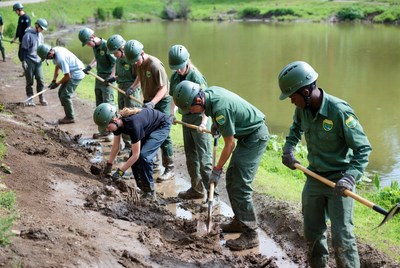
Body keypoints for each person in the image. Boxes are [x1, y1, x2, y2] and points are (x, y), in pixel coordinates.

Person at [278, 60, 372, 267]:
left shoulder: (340, 112)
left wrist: (350, 177)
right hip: (314, 176)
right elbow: (295, 130)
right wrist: (288, 149)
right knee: (312, 230)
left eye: (292, 97)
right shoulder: (303, 109)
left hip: (340, 180)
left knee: (342, 236)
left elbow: (363, 148)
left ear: (304, 91)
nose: (291, 102)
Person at [172, 80, 270, 251]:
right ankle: (240, 221)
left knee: (240, 184)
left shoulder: (220, 110)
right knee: (231, 179)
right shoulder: (209, 94)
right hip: (246, 135)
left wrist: (216, 170)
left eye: (189, 109)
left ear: (198, 101)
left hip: (255, 136)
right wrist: (218, 126)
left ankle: (251, 234)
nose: (189, 112)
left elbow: (229, 145)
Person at [93, 103, 171, 200]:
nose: (106, 129)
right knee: (135, 162)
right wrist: (109, 165)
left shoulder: (133, 124)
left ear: (114, 119)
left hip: (161, 126)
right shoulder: (117, 125)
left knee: (144, 157)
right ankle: (143, 190)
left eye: (107, 126)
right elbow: (116, 146)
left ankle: (150, 192)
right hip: (146, 127)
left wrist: (120, 172)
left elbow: (136, 155)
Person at [124, 39, 175, 182]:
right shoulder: (138, 63)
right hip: (148, 101)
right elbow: (140, 76)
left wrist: (153, 102)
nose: (135, 63)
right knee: (147, 132)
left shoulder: (155, 65)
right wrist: (133, 87)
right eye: (132, 61)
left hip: (161, 101)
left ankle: (169, 167)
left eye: (136, 60)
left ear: (142, 53)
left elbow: (164, 88)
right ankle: (153, 165)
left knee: (163, 134)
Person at [168, 44, 214, 200]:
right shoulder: (175, 77)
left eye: (181, 67)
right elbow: (174, 97)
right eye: (176, 68)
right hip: (186, 117)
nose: (179, 70)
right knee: (190, 157)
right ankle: (196, 189)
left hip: (200, 117)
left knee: (205, 160)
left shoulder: (196, 77)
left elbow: (206, 101)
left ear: (187, 61)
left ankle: (213, 196)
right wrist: (171, 114)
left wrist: (203, 123)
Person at [105, 35, 142, 149]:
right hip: (121, 89)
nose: (114, 55)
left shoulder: (132, 59)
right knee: (122, 116)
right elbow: (122, 74)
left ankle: (135, 146)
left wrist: (132, 88)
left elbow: (140, 77)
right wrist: (114, 78)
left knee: (132, 118)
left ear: (122, 48)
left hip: (132, 92)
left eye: (115, 52)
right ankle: (127, 144)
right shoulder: (118, 59)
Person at [79, 28, 116, 139]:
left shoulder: (106, 45)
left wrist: (112, 77)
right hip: (99, 76)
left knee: (108, 105)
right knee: (99, 105)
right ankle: (103, 130)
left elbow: (115, 62)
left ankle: (111, 131)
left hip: (107, 78)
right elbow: (97, 57)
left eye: (87, 42)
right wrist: (90, 66)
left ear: (92, 37)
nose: (88, 45)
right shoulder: (95, 46)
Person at [36, 43, 85, 124]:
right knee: (60, 93)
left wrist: (57, 84)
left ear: (50, 53)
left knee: (65, 95)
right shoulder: (55, 50)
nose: (47, 59)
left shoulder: (60, 58)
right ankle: (68, 111)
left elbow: (67, 77)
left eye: (47, 57)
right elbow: (57, 67)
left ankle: (70, 117)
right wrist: (54, 80)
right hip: (71, 72)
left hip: (77, 73)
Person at [21, 18, 48, 106]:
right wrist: (24, 61)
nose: (42, 30)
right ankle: (30, 98)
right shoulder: (27, 35)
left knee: (40, 80)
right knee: (29, 81)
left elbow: (43, 48)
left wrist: (46, 58)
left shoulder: (41, 35)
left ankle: (41, 97)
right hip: (29, 60)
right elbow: (23, 50)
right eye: (42, 28)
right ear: (37, 26)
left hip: (38, 61)